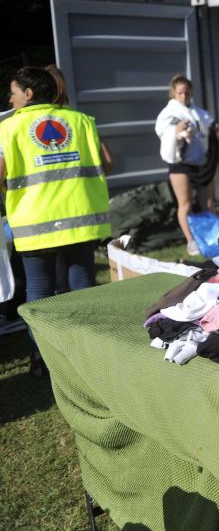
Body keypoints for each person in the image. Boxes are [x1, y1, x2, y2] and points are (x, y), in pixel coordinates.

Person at [0, 66, 114, 374]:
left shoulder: (8, 129)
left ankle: (43, 360)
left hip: (34, 223)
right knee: (83, 286)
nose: (10, 101)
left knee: (39, 289)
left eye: (12, 93)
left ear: (29, 93)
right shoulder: (80, 120)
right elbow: (107, 163)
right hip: (80, 219)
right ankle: (93, 356)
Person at [155, 74, 215, 255]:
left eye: (187, 93)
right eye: (180, 93)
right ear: (173, 93)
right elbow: (161, 131)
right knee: (185, 204)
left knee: (208, 202)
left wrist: (214, 129)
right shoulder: (169, 113)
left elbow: (209, 123)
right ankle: (191, 241)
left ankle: (211, 235)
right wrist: (176, 131)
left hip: (200, 162)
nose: (183, 96)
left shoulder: (198, 112)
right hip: (180, 164)